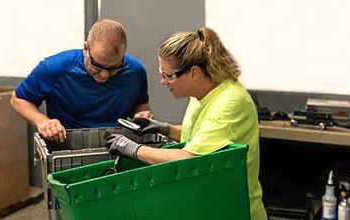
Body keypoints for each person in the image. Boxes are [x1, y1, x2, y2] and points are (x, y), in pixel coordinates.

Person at [105, 27, 267, 219]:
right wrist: (165, 128)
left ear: (194, 72)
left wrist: (133, 149)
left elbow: (190, 158)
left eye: (168, 75)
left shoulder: (229, 102)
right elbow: (203, 138)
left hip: (232, 209)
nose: (162, 81)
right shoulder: (200, 94)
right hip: (206, 203)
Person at [11, 19, 152, 143]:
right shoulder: (55, 68)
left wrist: (142, 114)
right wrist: (42, 121)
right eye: (97, 66)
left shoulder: (135, 71)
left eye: (114, 68)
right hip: (68, 146)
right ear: (85, 49)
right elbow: (18, 99)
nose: (104, 75)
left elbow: (141, 104)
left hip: (118, 146)